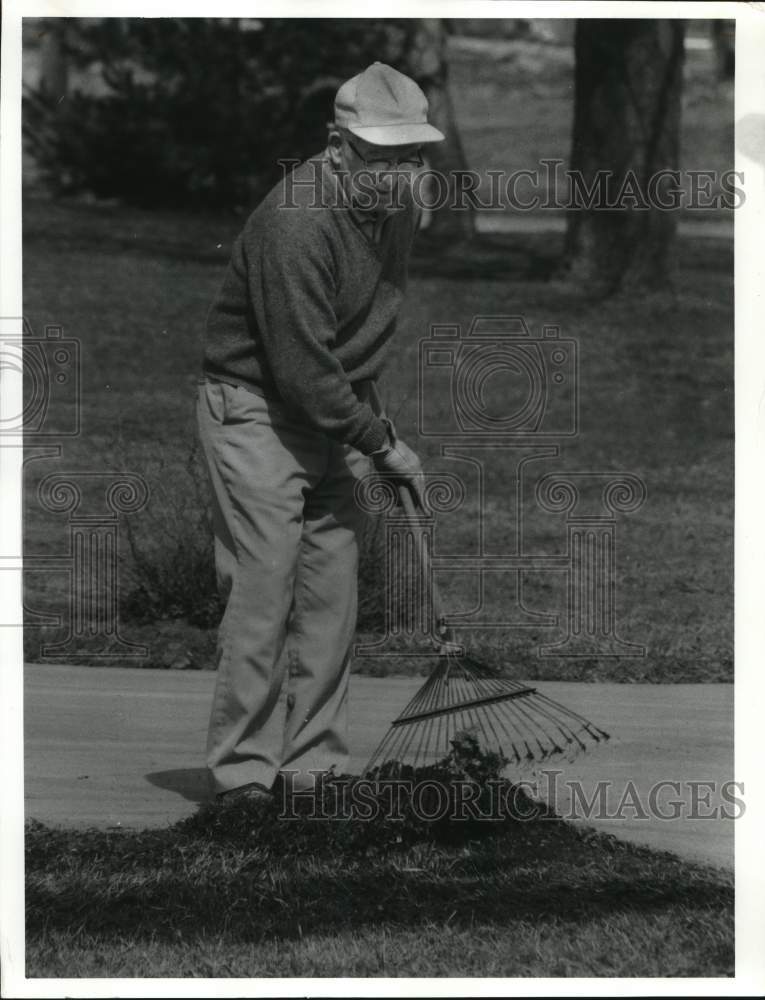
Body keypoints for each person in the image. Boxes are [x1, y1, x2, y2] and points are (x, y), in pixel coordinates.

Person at [196, 62, 444, 803]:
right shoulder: (295, 220)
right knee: (265, 587)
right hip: (257, 411)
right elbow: (300, 366)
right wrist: (383, 444)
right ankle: (243, 773)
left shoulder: (395, 200)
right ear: (337, 145)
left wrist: (371, 424)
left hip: (335, 411)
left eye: (411, 155)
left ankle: (314, 768)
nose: (400, 171)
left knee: (331, 595)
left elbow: (353, 339)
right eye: (383, 154)